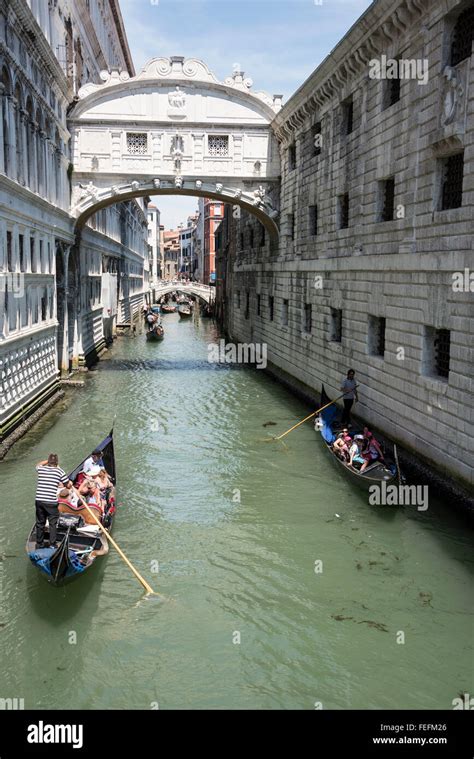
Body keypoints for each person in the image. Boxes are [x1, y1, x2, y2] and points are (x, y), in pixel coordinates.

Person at [35, 454, 72, 549]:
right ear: (57, 462)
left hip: (39, 500)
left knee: (40, 523)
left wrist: (47, 461)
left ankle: (39, 544)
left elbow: (38, 464)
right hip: (50, 502)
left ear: (48, 462)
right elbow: (67, 486)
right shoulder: (60, 471)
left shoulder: (41, 469)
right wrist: (70, 484)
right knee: (52, 523)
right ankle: (52, 544)